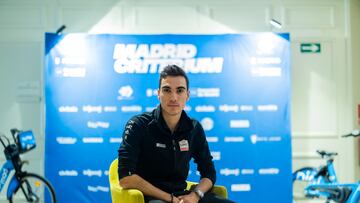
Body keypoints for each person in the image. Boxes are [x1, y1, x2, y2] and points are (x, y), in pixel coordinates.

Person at [118, 65, 235, 203]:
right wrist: (170, 199)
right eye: (167, 90)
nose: (173, 97)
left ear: (187, 95)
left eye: (180, 90)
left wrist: (195, 195)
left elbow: (209, 173)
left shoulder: (194, 128)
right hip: (149, 197)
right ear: (158, 93)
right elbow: (126, 178)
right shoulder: (139, 125)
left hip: (183, 196)